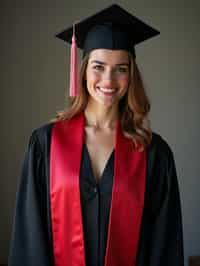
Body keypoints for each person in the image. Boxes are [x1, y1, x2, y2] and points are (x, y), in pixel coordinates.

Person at [8, 4, 184, 266]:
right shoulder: (46, 143)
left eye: (121, 69)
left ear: (131, 74)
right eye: (98, 67)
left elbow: (164, 245)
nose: (109, 80)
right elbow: (30, 235)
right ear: (84, 70)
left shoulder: (153, 152)